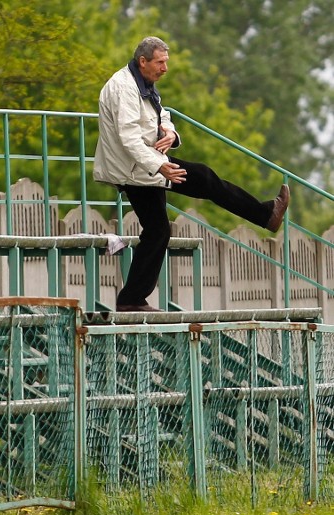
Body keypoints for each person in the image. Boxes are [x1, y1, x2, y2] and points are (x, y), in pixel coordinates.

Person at [93, 36, 290, 312]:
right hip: (136, 168)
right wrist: (160, 165)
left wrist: (171, 134)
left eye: (166, 62)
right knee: (202, 182)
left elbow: (161, 115)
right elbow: (128, 137)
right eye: (160, 62)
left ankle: (131, 299)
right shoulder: (124, 88)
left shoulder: (142, 82)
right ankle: (265, 214)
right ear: (143, 61)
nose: (165, 68)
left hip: (146, 164)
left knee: (158, 229)